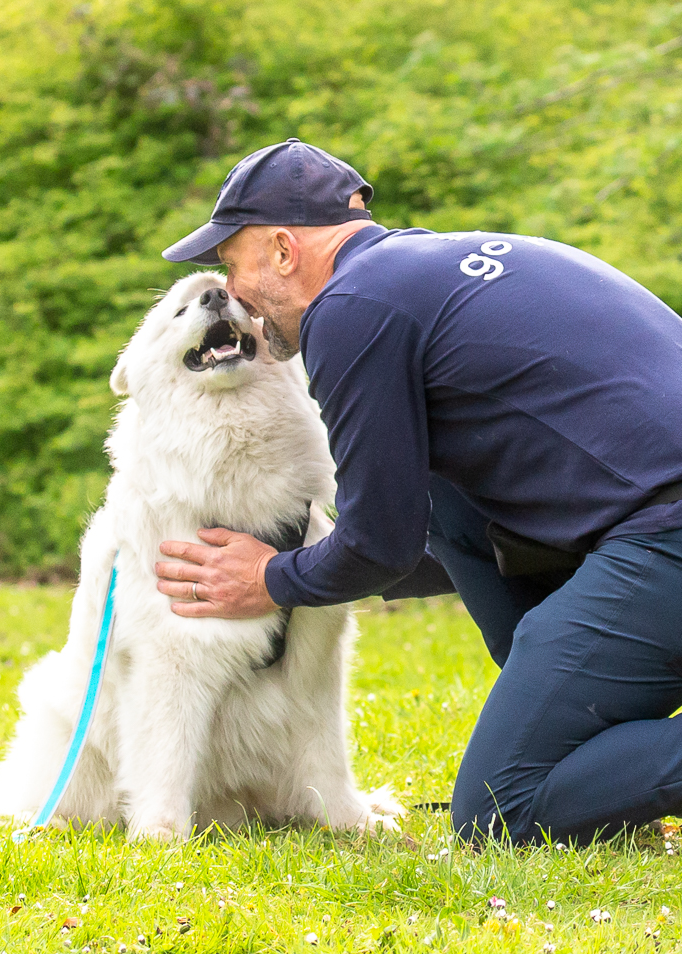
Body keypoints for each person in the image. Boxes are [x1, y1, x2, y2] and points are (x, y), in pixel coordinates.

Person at [156, 138, 682, 845]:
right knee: (449, 496)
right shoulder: (438, 274)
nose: (237, 295)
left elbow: (378, 543)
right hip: (646, 524)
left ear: (283, 250)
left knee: (501, 811)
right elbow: (414, 532)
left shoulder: (351, 308)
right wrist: (333, 566)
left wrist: (273, 578)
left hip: (665, 536)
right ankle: (598, 763)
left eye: (232, 263)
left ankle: (586, 766)